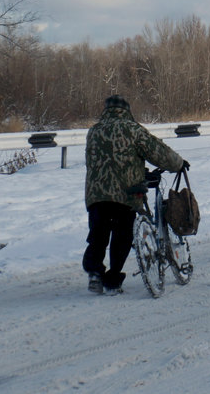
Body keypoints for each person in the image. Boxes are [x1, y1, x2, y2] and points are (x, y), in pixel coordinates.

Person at [83, 94, 187, 295]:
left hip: (97, 195)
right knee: (122, 236)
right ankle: (113, 280)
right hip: (126, 194)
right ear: (126, 110)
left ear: (106, 109)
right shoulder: (132, 130)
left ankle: (95, 273)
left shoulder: (94, 131)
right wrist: (179, 164)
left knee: (98, 234)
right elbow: (158, 152)